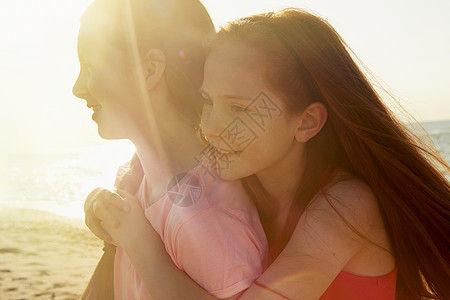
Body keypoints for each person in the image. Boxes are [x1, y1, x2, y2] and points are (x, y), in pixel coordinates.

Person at [90, 8, 450, 300]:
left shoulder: (345, 207)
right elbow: (159, 174)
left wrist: (137, 241)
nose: (211, 127)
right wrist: (110, 214)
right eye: (208, 101)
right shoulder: (242, 176)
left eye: (239, 109)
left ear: (307, 122)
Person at [73, 0, 268, 299]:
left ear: (150, 71)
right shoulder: (138, 175)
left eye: (89, 66)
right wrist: (112, 240)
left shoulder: (206, 221)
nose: (78, 88)